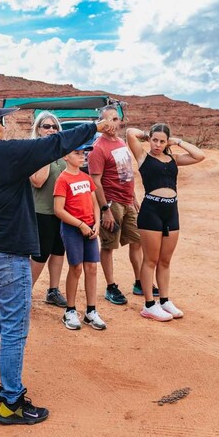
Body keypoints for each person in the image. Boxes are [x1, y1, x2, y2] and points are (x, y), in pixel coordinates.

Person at [0, 102, 112, 426]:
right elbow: (56, 144)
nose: (3, 126)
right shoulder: (6, 154)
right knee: (13, 329)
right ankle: (11, 402)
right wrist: (96, 127)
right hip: (6, 255)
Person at [126, 124, 205, 321]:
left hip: (171, 211)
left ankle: (164, 300)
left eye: (162, 141)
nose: (157, 144)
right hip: (151, 211)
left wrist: (176, 141)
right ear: (150, 140)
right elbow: (130, 133)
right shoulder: (143, 157)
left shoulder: (173, 159)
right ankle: (149, 305)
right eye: (155, 140)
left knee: (165, 260)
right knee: (150, 259)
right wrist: (148, 135)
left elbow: (199, 155)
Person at [87, 105, 150, 305]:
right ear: (101, 123)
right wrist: (105, 210)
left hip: (127, 200)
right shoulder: (98, 148)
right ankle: (111, 286)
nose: (113, 124)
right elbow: (95, 182)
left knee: (137, 241)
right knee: (108, 246)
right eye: (108, 120)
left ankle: (140, 281)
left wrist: (133, 196)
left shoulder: (122, 142)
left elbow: (126, 172)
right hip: (111, 203)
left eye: (116, 119)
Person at [53, 140, 106, 331]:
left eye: (84, 153)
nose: (82, 156)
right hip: (73, 229)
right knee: (76, 268)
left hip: (90, 228)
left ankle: (91, 311)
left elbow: (94, 204)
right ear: (66, 156)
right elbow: (58, 210)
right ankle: (70, 310)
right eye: (77, 153)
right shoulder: (63, 179)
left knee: (91, 267)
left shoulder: (86, 177)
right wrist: (81, 224)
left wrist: (97, 223)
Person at [29, 111, 68, 307]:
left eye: (54, 127)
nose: (51, 130)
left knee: (58, 251)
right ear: (38, 129)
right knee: (40, 253)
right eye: (46, 126)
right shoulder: (34, 151)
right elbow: (38, 181)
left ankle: (53, 290)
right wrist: (46, 152)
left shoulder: (61, 152)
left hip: (61, 211)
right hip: (41, 210)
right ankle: (25, 292)